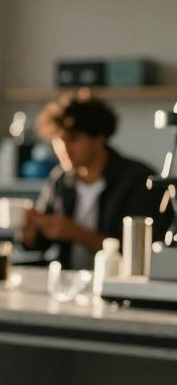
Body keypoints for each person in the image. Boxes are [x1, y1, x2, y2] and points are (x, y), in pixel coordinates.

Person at [22, 93, 172, 269]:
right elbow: (40, 244)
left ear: (99, 138)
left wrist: (77, 233)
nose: (63, 149)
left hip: (121, 285)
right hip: (69, 285)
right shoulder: (60, 178)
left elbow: (142, 252)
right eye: (58, 140)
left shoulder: (140, 180)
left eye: (73, 139)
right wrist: (28, 227)